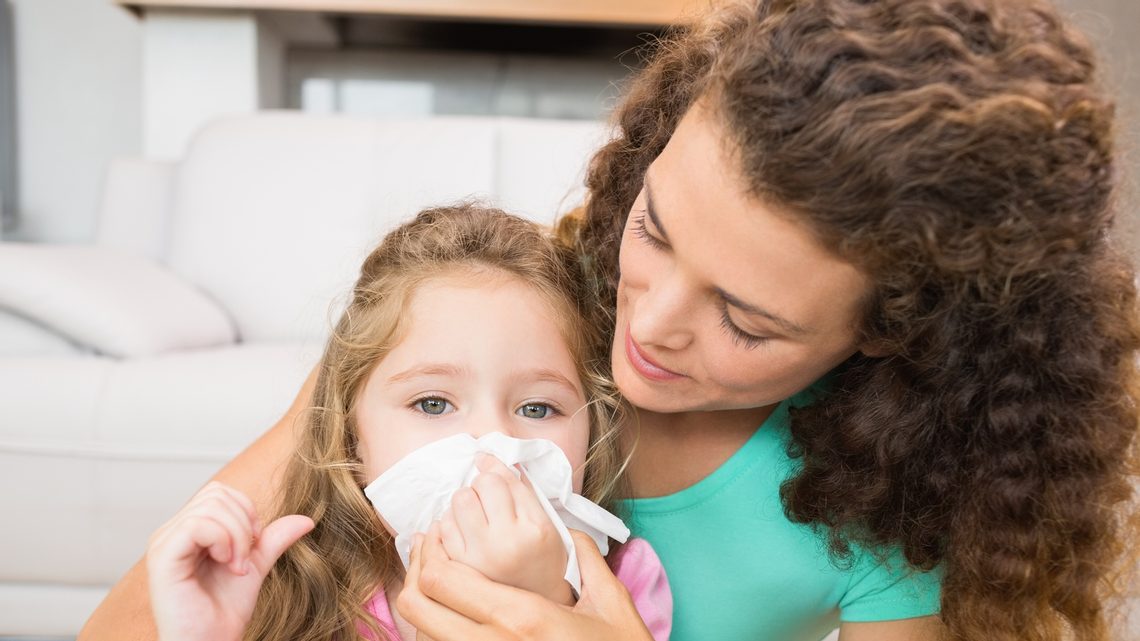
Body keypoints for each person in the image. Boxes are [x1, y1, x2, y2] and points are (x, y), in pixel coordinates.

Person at [81, 0, 1140, 640]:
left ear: (888, 332)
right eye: (658, 227)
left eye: (747, 318)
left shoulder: (892, 513)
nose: (651, 325)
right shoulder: (488, 322)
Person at [144, 205, 672, 641]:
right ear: (353, 435)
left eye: (537, 409)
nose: (491, 450)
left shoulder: (623, 591)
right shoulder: (284, 584)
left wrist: (547, 601)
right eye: (433, 404)